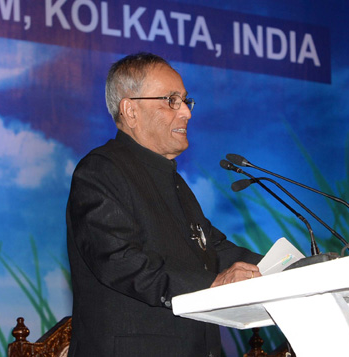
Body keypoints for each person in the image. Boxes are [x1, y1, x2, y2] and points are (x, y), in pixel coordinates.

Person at [66, 52, 262, 357]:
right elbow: (120, 261)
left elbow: (214, 250)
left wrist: (291, 268)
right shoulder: (100, 171)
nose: (186, 112)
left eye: (185, 100)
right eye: (171, 100)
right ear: (131, 111)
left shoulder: (175, 182)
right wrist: (212, 285)